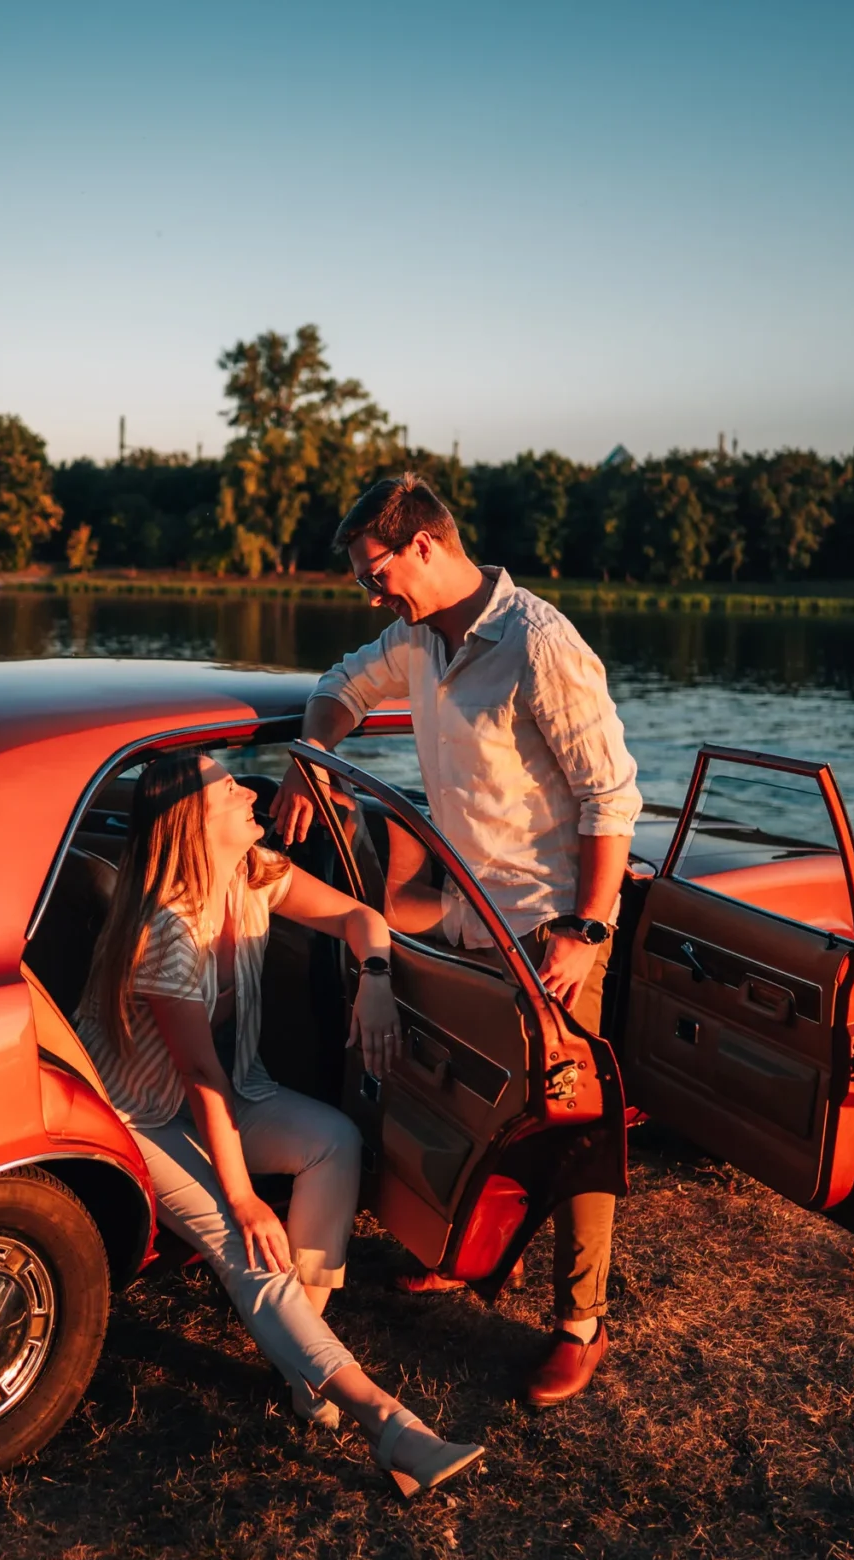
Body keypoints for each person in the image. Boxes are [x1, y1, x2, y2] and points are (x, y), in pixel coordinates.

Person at [271, 473, 641, 1409]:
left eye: (376, 571)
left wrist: (589, 930)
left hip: (554, 924)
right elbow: (337, 689)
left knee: (566, 1114)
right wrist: (312, 764)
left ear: (427, 546)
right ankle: (470, 1252)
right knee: (468, 1099)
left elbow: (611, 797)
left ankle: (580, 1324)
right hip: (468, 909)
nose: (371, 593)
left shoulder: (538, 644)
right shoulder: (416, 638)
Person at [77, 750, 486, 1496]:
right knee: (246, 1242)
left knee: (335, 1140)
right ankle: (387, 1421)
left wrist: (377, 981)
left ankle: (305, 1369)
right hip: (136, 1114)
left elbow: (360, 917)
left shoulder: (252, 872)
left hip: (232, 1093)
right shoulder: (165, 928)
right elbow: (197, 1076)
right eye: (227, 784)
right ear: (192, 820)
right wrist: (242, 1195)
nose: (248, 789)